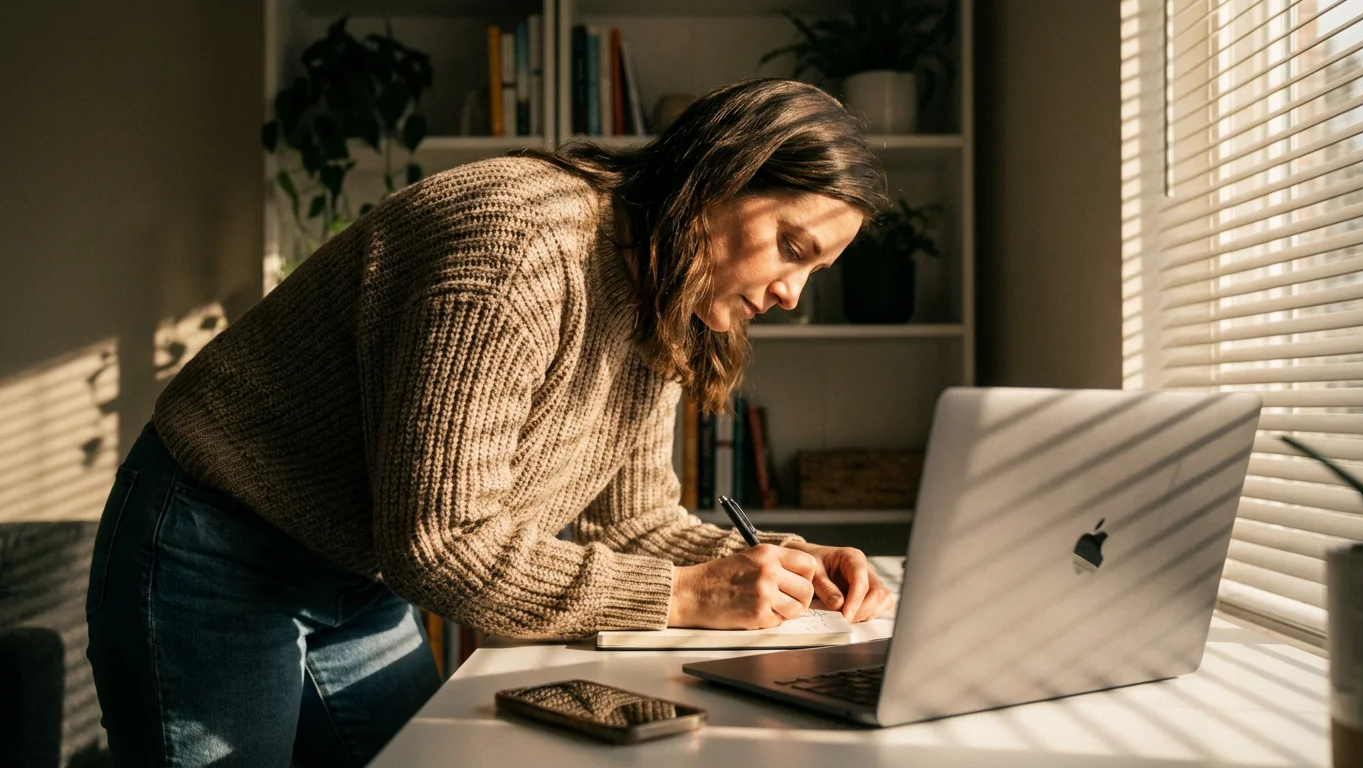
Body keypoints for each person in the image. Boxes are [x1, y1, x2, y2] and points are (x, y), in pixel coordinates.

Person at [85, 77, 897, 767]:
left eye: (814, 270)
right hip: (214, 545)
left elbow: (636, 520)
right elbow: (442, 543)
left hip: (356, 574)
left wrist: (773, 565)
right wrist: (685, 595)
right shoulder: (515, 250)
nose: (792, 295)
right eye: (791, 246)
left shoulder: (665, 288)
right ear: (718, 176)